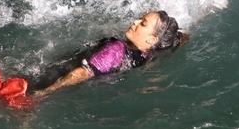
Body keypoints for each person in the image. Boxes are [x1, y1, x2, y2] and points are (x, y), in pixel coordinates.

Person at [32, 10, 186, 98]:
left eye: (142, 23)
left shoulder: (116, 49)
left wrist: (46, 92)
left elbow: (82, 73)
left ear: (151, 40)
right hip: (99, 87)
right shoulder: (151, 54)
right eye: (140, 18)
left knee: (23, 86)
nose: (135, 22)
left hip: (59, 75)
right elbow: (179, 40)